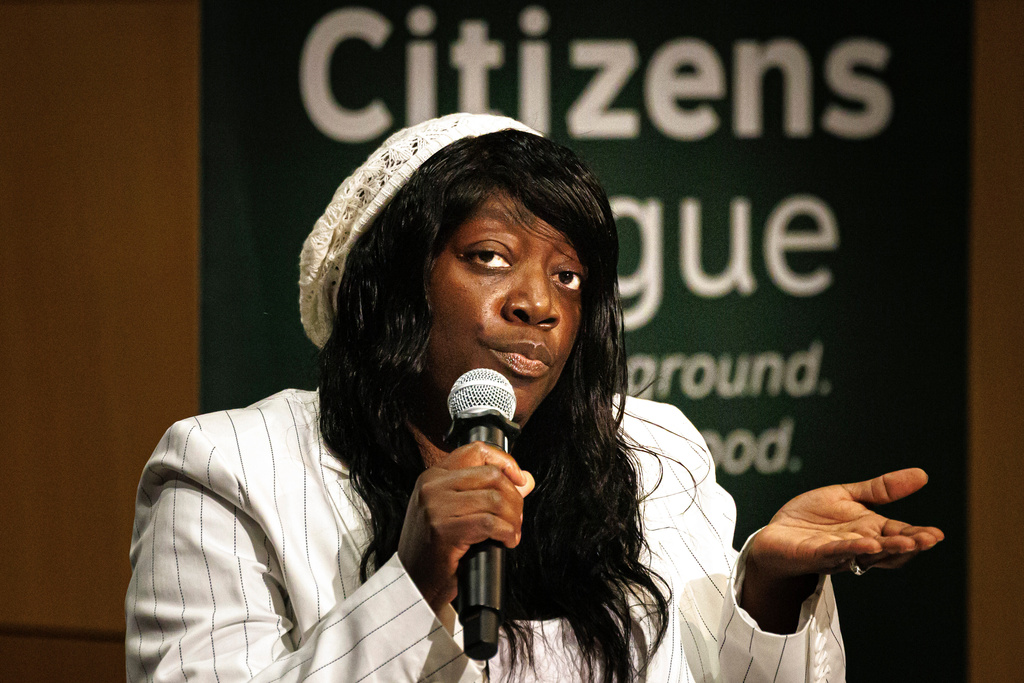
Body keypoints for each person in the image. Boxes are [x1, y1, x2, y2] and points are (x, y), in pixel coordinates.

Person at [125, 113, 943, 682]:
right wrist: (415, 579)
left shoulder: (655, 455)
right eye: (488, 256)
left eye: (568, 276)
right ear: (391, 281)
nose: (538, 304)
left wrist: (768, 596)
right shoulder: (226, 470)